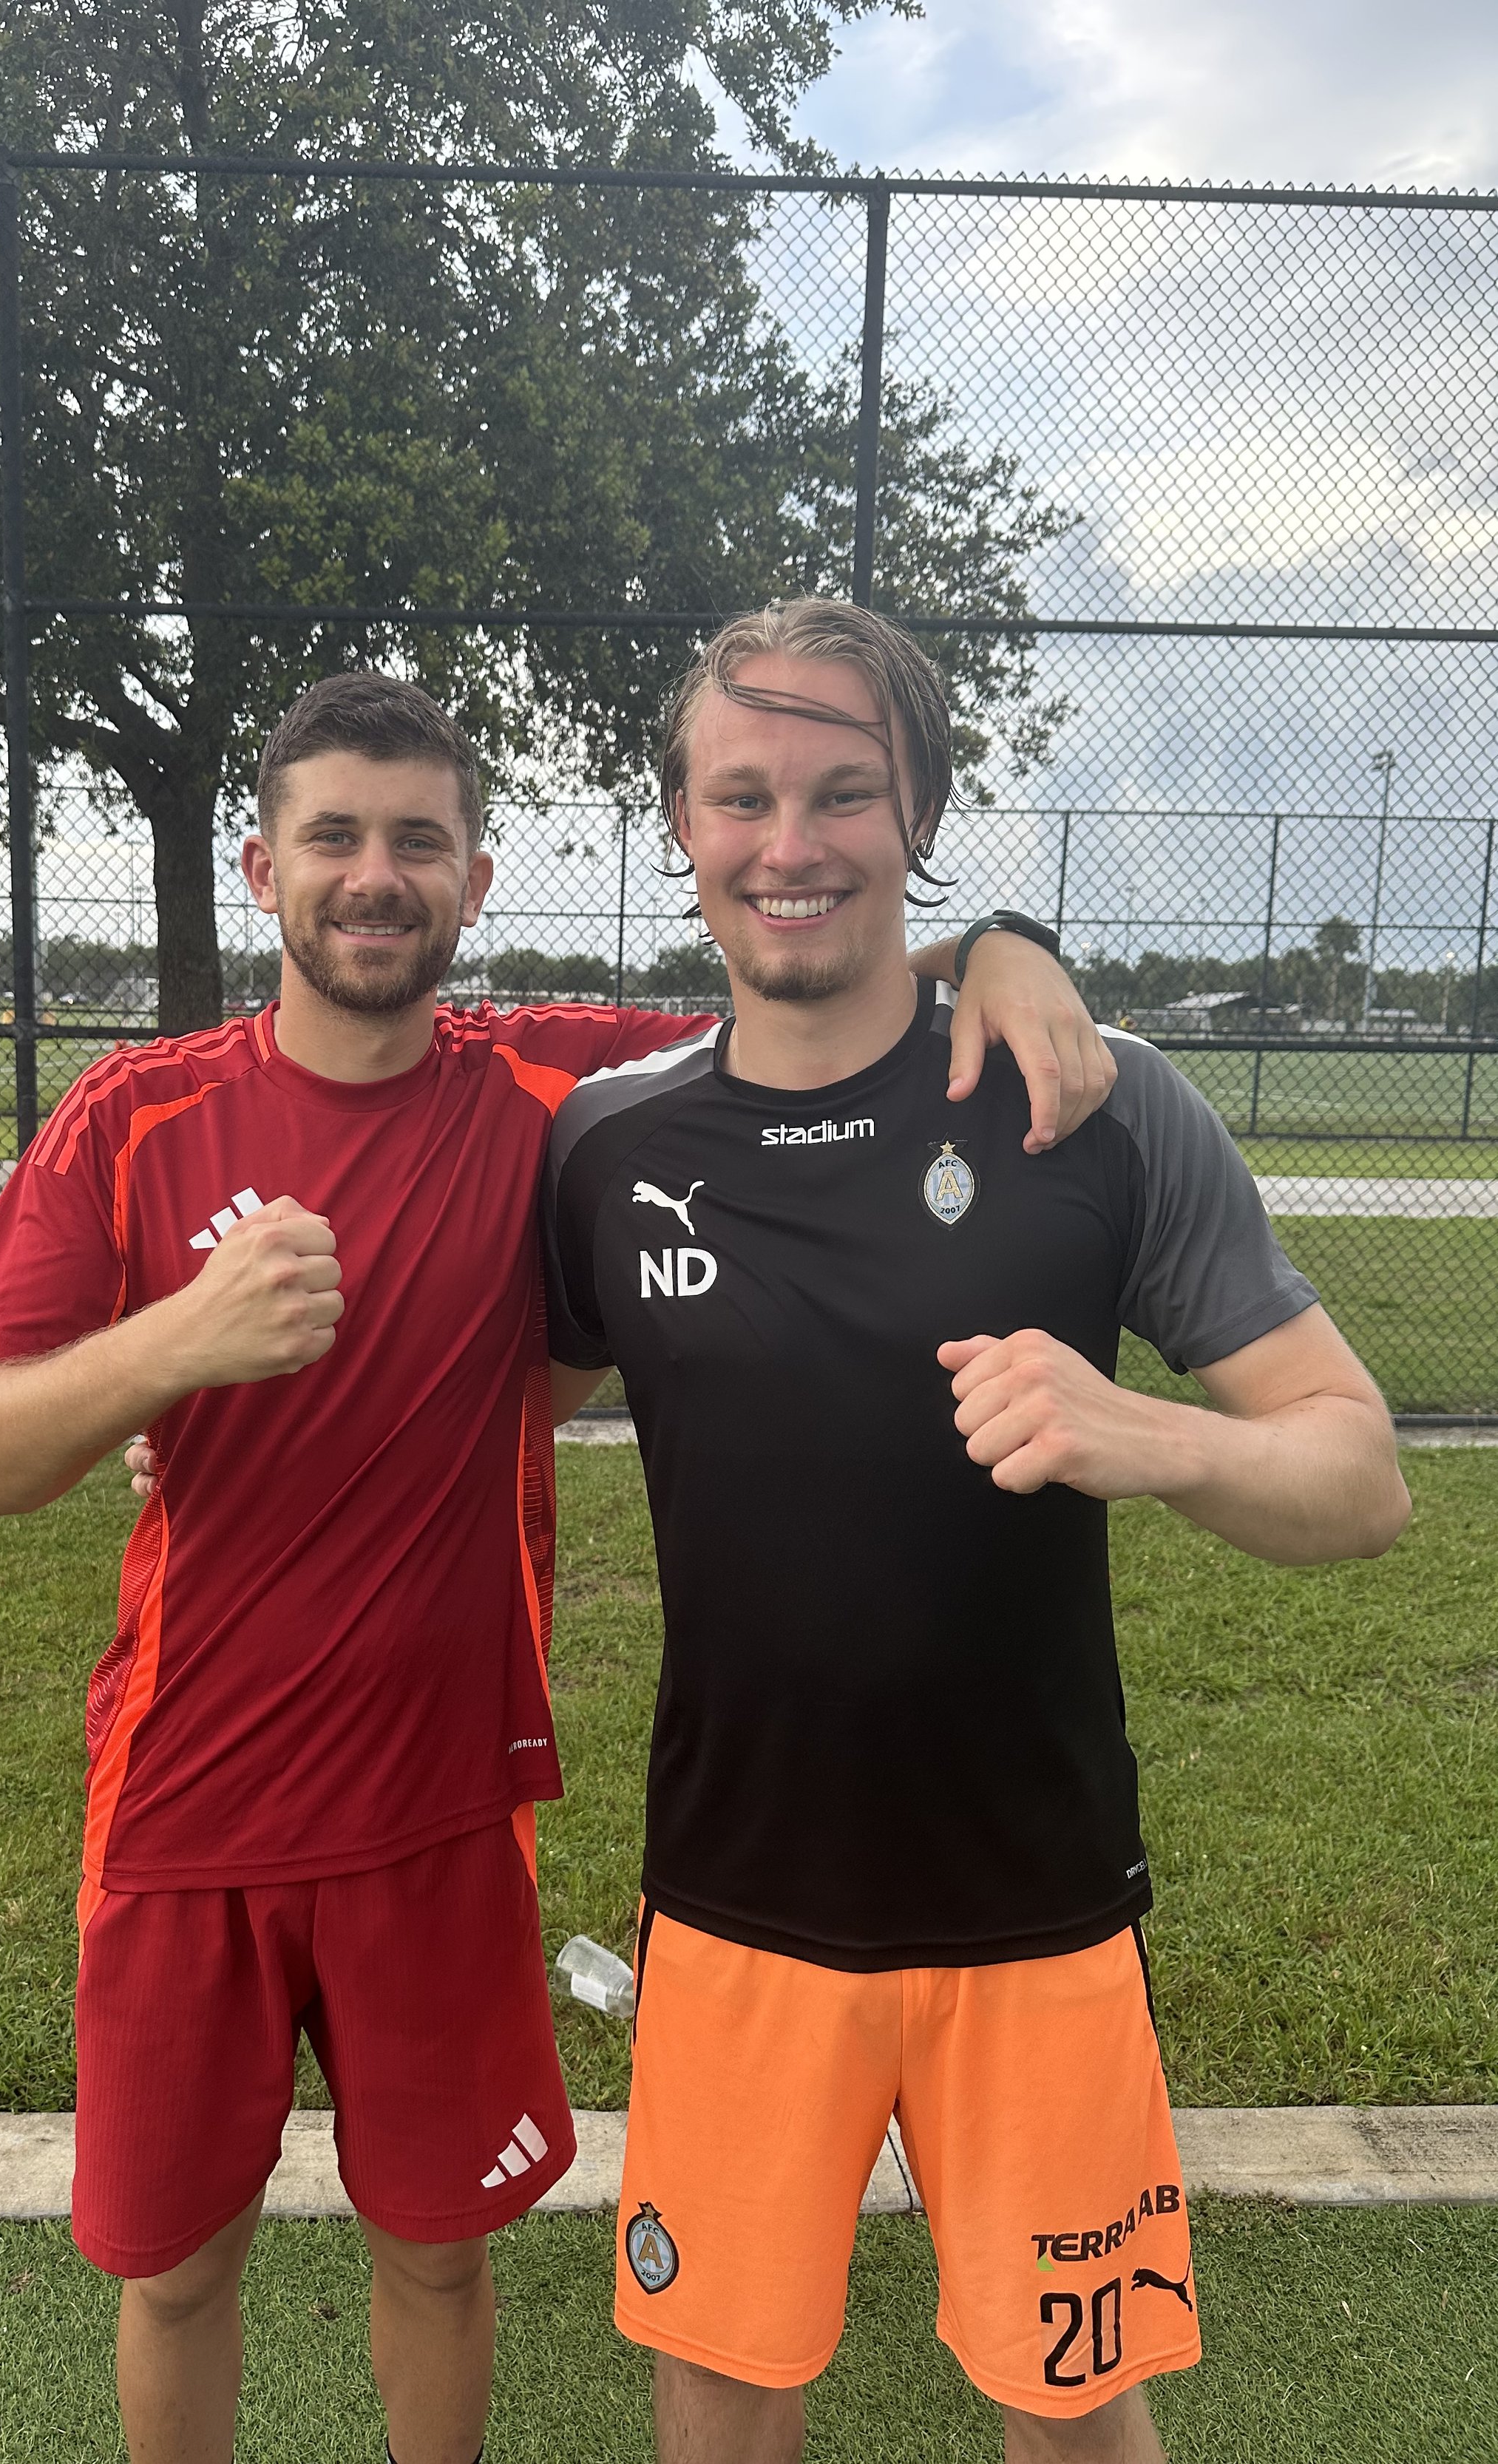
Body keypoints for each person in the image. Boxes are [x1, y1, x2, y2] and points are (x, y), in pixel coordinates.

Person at [0, 667, 1113, 2464]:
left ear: (473, 880)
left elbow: (800, 956)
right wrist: (175, 1343)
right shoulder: (134, 1111)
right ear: (259, 867)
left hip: (442, 1816)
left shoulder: (553, 1092)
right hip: (182, 1810)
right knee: (174, 2270)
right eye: (332, 836)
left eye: (417, 841)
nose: (372, 875)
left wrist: (1003, 946)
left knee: (438, 2254)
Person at [539, 599, 1411, 2464]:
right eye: (742, 795)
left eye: (843, 791)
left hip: (1034, 1906)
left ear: (918, 807)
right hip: (736, 1902)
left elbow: (1360, 1477)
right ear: (680, 823)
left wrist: (1145, 1434)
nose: (789, 841)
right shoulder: (605, 1146)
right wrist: (206, 1440)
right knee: (719, 2388)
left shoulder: (1091, 1102)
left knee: (1072, 2404)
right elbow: (473, 1418)